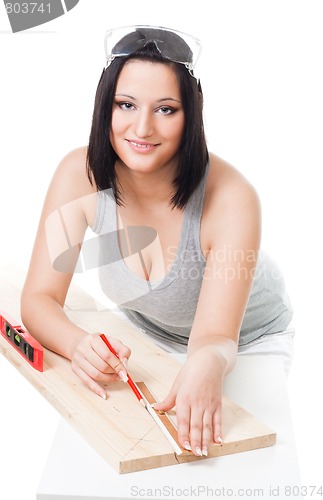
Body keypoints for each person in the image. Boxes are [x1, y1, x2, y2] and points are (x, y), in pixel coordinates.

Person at [21, 25, 294, 458]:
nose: (142, 128)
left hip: (244, 340)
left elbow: (216, 336)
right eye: (125, 104)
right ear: (104, 106)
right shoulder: (79, 175)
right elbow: (38, 297)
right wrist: (76, 344)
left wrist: (206, 362)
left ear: (191, 116)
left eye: (166, 109)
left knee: (236, 458)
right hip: (146, 328)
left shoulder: (233, 197)